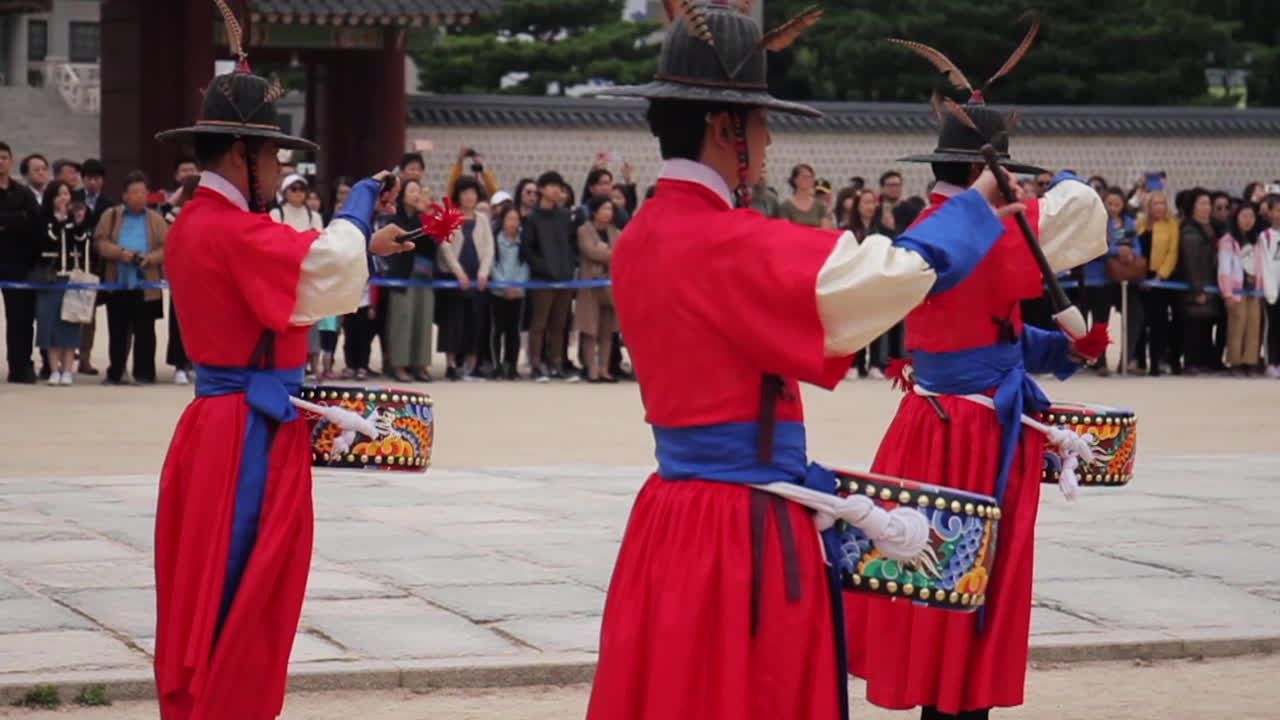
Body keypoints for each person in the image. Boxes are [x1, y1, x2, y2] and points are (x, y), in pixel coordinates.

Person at [588, 6, 1026, 720]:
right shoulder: (725, 242)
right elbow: (885, 275)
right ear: (728, 129)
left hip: (669, 516)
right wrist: (974, 204)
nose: (764, 141)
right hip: (743, 526)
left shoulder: (640, 238)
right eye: (760, 125)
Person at [150, 10, 415, 719]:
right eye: (272, 156)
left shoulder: (200, 224)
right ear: (241, 153)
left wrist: (366, 242)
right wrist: (356, 209)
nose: (280, 169)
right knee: (245, 586)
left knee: (212, 587)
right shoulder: (232, 230)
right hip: (246, 435)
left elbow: (299, 276)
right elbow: (319, 266)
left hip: (222, 424)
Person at [845, 27, 1108, 720]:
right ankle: (957, 706)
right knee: (966, 582)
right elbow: (1080, 215)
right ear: (985, 172)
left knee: (942, 577)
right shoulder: (976, 232)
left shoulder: (940, 226)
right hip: (968, 434)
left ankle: (953, 700)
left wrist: (1064, 352)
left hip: (938, 422)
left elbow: (999, 334)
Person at [93, 171, 168, 385]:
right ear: (124, 195)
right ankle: (116, 371)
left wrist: (150, 258)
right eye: (134, 192)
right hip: (118, 281)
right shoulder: (112, 215)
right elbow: (100, 242)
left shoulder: (155, 219)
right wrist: (120, 253)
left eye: (143, 192)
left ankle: (144, 372)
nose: (139, 196)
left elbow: (167, 247)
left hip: (147, 283)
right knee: (117, 329)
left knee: (146, 330)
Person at [33, 180, 91, 385]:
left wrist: (79, 223)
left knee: (70, 321)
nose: (65, 198)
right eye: (60, 195)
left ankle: (68, 369)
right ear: (52, 198)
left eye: (67, 194)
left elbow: (83, 240)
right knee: (49, 322)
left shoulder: (76, 219)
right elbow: (50, 238)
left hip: (72, 277)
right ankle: (53, 369)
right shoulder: (45, 220)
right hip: (50, 277)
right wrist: (60, 221)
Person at [520, 171, 576, 382]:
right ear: (541, 189)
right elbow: (528, 249)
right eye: (551, 186)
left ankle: (557, 363)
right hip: (542, 279)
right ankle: (536, 363)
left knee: (560, 324)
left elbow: (571, 245)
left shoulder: (564, 215)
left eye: (559, 187)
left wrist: (568, 268)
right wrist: (544, 268)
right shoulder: (532, 218)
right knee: (539, 324)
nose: (556, 190)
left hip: (564, 278)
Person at [438, 175, 495, 380]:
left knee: (475, 321)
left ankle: (471, 367)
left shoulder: (482, 220)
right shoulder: (449, 216)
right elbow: (445, 246)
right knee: (452, 322)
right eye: (465, 193)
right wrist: (458, 272)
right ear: (458, 196)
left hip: (477, 279)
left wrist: (483, 272)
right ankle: (451, 365)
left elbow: (489, 248)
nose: (469, 197)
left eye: (472, 192)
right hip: (453, 279)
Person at [0, 141, 42, 384]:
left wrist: (9, 223)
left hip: (17, 263)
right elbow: (23, 220)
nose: (1, 161)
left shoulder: (22, 192)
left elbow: (34, 222)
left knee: (21, 319)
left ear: (11, 160)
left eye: (4, 157)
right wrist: (17, 220)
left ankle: (21, 367)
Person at [575, 195, 619, 382]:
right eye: (604, 209)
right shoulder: (584, 231)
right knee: (590, 329)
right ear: (594, 211)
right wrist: (610, 253)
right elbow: (590, 251)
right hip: (590, 285)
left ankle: (604, 368)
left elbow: (622, 252)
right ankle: (591, 368)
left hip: (610, 287)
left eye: (610, 209)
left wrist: (605, 251)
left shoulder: (615, 232)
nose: (607, 213)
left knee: (607, 329)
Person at [1219, 203, 1263, 374]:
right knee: (1237, 326)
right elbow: (1224, 269)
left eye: (1251, 216)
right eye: (1244, 216)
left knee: (1253, 326)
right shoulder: (1228, 241)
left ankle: (1250, 361)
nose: (1248, 220)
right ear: (1236, 218)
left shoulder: (1257, 240)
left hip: (1254, 291)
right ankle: (1235, 362)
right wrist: (1227, 293)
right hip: (1236, 291)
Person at [490, 205, 529, 379]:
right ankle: (496, 365)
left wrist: (517, 287)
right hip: (498, 293)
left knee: (514, 331)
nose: (513, 223)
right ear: (502, 221)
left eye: (516, 219)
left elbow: (526, 266)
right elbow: (492, 266)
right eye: (509, 219)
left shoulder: (523, 242)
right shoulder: (495, 241)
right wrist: (503, 286)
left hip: (518, 294)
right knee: (498, 330)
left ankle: (511, 365)